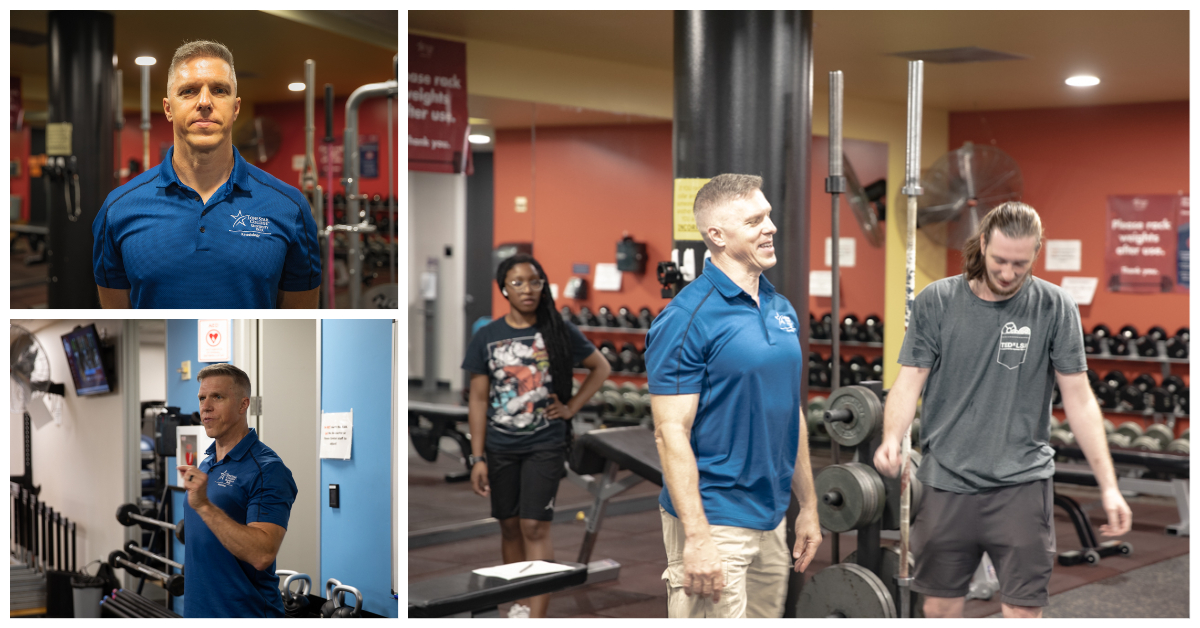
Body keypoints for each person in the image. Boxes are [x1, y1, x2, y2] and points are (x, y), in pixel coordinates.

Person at [874, 201, 1132, 618]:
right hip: (946, 482)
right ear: (982, 245)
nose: (1009, 273)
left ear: (1035, 254)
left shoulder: (1054, 306)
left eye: (1020, 263)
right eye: (999, 260)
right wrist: (891, 438)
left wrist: (1109, 486)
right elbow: (910, 380)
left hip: (1022, 485)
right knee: (939, 608)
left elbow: (1080, 399)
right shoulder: (937, 300)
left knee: (1023, 612)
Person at [644, 174, 822, 618]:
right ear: (717, 235)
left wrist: (809, 506)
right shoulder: (687, 317)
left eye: (769, 215)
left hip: (770, 515)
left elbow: (790, 413)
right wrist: (698, 538)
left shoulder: (780, 309)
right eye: (755, 220)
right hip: (715, 517)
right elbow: (670, 433)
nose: (771, 227)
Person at [92, 40, 321, 309]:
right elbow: (119, 328)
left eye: (219, 90)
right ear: (168, 108)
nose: (204, 102)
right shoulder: (118, 210)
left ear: (235, 108)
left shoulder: (289, 208)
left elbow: (296, 327)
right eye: (188, 91)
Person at [462, 254, 612, 618]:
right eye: (517, 282)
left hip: (545, 442)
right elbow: (478, 399)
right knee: (510, 527)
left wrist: (572, 408)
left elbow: (600, 367)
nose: (527, 289)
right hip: (499, 446)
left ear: (542, 286)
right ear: (504, 289)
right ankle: (517, 603)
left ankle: (537, 615)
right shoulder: (487, 336)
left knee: (533, 525)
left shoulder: (558, 331)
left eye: (534, 281)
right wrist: (477, 457)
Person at [176, 363, 298, 617]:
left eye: (217, 397)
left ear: (243, 405)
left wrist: (204, 506)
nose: (205, 406)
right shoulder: (207, 462)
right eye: (202, 398)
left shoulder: (267, 470)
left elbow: (262, 553)